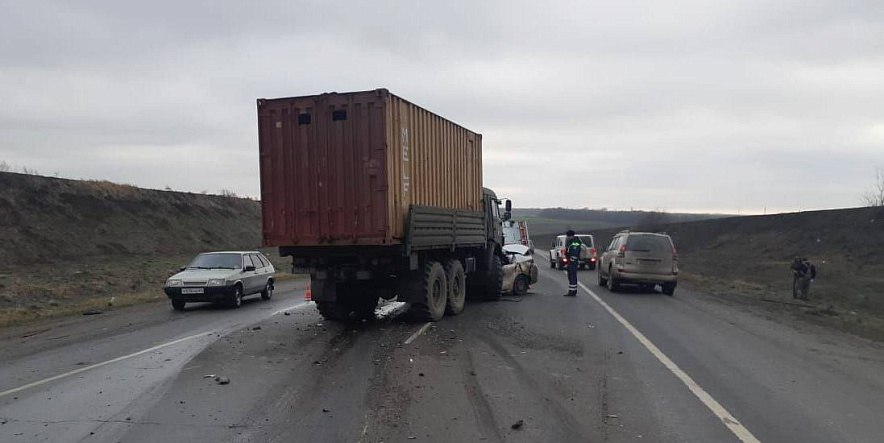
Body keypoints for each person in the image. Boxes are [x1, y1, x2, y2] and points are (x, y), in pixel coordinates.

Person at [563, 230, 583, 296]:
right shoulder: (572, 242)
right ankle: (572, 290)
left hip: (573, 262)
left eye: (567, 236)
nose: (567, 237)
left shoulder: (575, 242)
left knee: (572, 277)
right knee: (571, 276)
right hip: (571, 262)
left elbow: (574, 253)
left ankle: (572, 292)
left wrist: (571, 261)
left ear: (570, 236)